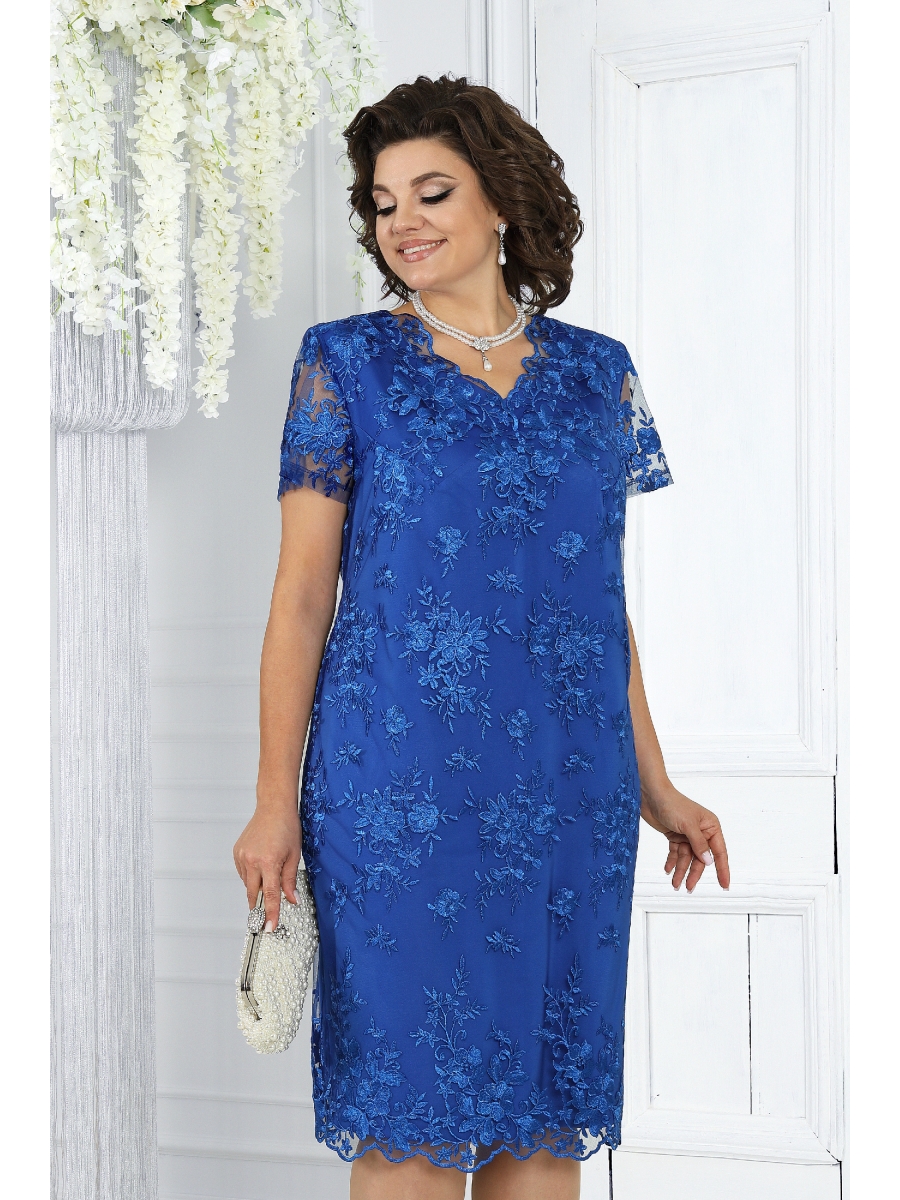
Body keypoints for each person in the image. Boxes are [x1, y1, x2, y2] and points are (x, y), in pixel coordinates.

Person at [233, 74, 730, 1200]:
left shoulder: (598, 374)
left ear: (500, 199)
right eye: (381, 203)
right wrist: (272, 801)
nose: (401, 221)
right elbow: (301, 597)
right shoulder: (345, 363)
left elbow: (595, 604)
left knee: (543, 1128)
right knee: (409, 1130)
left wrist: (657, 785)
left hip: (568, 791)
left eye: (432, 192)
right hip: (398, 795)